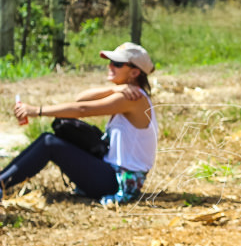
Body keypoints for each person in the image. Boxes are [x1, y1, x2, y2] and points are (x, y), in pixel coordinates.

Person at [2, 42, 158, 206]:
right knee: (48, 138)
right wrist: (113, 89)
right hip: (112, 175)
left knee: (49, 143)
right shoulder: (128, 94)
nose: (110, 66)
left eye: (117, 64)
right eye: (110, 62)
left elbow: (82, 109)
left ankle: (2, 184)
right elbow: (81, 98)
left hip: (117, 183)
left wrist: (37, 111)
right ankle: (2, 181)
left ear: (134, 72)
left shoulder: (133, 98)